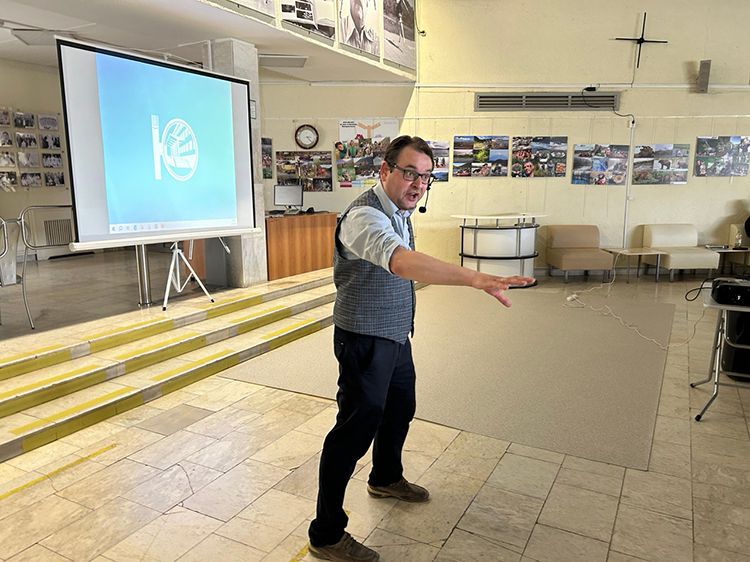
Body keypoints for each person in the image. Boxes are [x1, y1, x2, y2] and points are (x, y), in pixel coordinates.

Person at [307, 135, 534, 562]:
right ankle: (326, 533)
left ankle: (385, 477)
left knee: (399, 409)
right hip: (363, 340)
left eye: (426, 176)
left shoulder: (400, 211)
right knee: (353, 432)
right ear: (385, 170)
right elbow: (399, 260)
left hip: (395, 336)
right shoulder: (363, 217)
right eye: (410, 173)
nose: (418, 184)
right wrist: (474, 277)